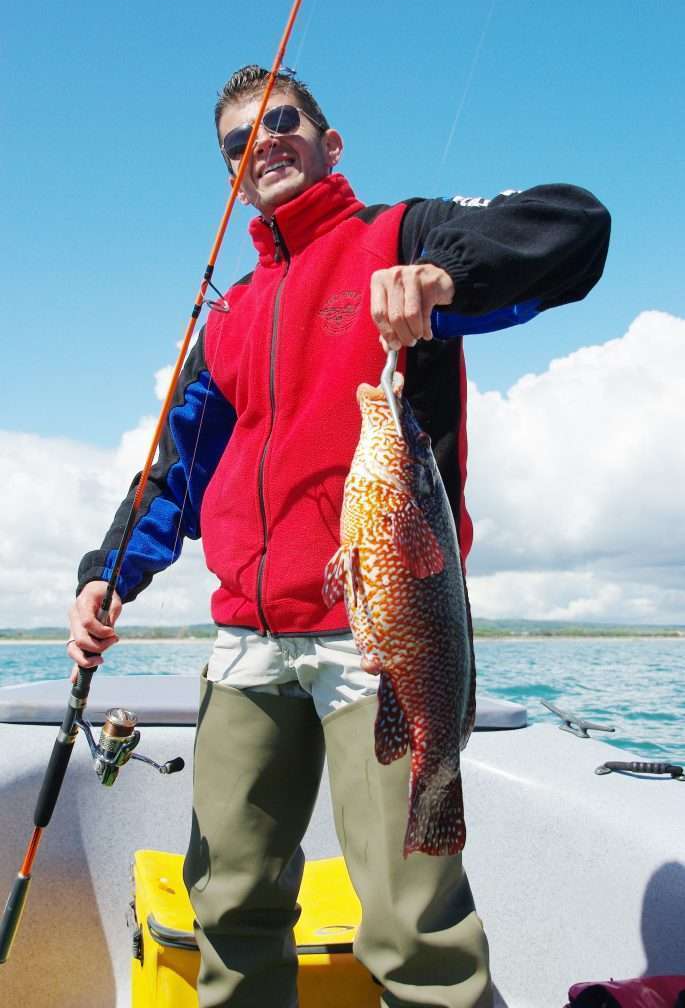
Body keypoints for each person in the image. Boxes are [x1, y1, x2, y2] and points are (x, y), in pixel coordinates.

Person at [67, 65, 610, 1008]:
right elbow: (176, 472)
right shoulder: (229, 312)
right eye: (238, 143)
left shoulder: (398, 238)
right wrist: (108, 574)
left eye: (281, 122)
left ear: (330, 143)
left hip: (382, 639)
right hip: (247, 640)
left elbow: (575, 226)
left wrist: (445, 277)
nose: (261, 144)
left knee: (411, 929)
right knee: (228, 906)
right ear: (233, 175)